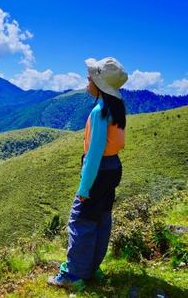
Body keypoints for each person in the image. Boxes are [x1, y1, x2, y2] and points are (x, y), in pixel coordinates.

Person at [48, 57, 129, 290]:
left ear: (99, 83)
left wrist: (84, 187)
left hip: (99, 169)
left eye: (90, 77)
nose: (87, 80)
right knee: (101, 218)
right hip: (113, 168)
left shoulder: (99, 112)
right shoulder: (116, 107)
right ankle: (92, 268)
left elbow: (94, 154)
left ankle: (74, 275)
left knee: (80, 220)